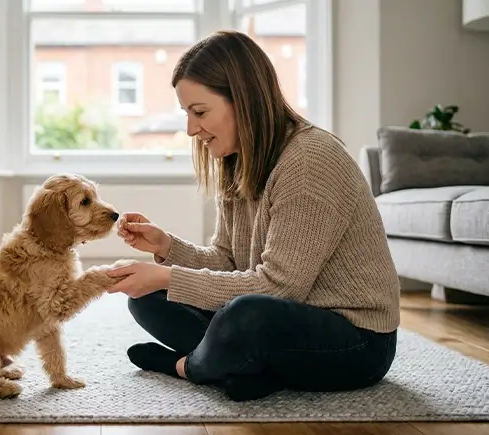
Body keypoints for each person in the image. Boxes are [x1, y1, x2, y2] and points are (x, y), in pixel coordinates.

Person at [105, 30, 401, 402]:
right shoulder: (237, 161)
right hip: (283, 327)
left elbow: (279, 287)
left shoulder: (310, 159)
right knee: (148, 297)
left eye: (199, 112)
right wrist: (167, 248)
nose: (190, 129)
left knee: (247, 316)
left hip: (355, 343)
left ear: (242, 100)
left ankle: (190, 367)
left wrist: (168, 275)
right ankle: (244, 367)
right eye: (187, 114)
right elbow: (228, 261)